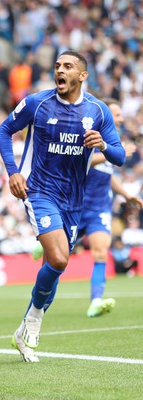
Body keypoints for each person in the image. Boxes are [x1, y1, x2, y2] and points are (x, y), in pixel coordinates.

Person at [0, 50, 125, 363]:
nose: (60, 70)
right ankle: (35, 318)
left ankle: (25, 325)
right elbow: (4, 130)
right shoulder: (37, 102)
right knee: (57, 257)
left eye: (68, 66)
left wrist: (103, 145)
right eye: (57, 66)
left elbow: (120, 156)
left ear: (82, 75)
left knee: (54, 267)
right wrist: (13, 171)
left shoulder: (98, 111)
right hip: (39, 192)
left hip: (73, 201)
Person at [78, 98, 143, 317]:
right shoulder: (89, 133)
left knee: (100, 253)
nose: (121, 118)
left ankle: (96, 301)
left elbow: (109, 174)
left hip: (98, 209)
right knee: (57, 259)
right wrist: (109, 150)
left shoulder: (112, 141)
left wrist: (126, 195)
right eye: (116, 114)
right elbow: (81, 161)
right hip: (74, 206)